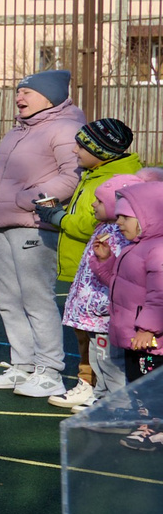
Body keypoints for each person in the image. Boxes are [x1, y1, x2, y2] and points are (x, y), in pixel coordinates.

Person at [0, 67, 87, 399]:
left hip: (34, 226)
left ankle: (50, 371)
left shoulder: (66, 129)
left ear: (49, 96)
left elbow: (73, 177)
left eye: (27, 92)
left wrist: (34, 201)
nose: (19, 97)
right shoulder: (18, 130)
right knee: (8, 300)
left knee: (36, 298)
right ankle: (22, 365)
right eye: (19, 91)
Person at [49, 117, 141, 410]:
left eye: (81, 146)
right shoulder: (95, 173)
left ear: (100, 150)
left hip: (101, 283)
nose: (74, 151)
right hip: (89, 275)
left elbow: (88, 223)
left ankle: (100, 390)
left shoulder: (117, 181)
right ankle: (91, 385)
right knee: (86, 336)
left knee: (104, 344)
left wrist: (58, 218)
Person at [63, 176, 132, 418]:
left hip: (104, 313)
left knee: (111, 362)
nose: (93, 205)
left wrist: (102, 306)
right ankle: (101, 395)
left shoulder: (122, 234)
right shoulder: (103, 228)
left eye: (99, 201)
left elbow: (117, 276)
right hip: (92, 313)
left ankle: (118, 403)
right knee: (97, 358)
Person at [104, 179, 163, 450]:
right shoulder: (136, 247)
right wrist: (104, 261)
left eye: (125, 217)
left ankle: (152, 428)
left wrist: (148, 328)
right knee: (138, 382)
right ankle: (146, 422)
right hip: (135, 335)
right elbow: (120, 286)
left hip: (150, 340)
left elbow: (160, 295)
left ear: (149, 216)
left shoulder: (158, 251)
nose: (118, 223)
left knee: (150, 384)